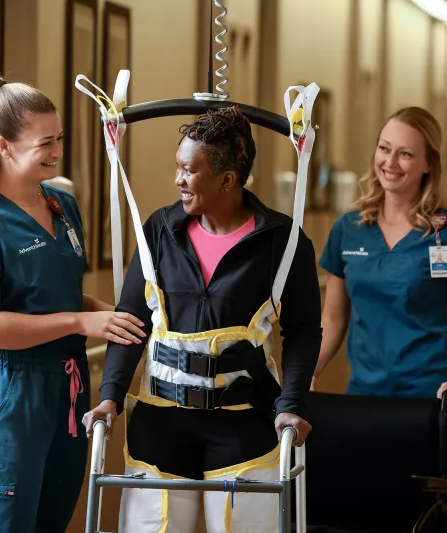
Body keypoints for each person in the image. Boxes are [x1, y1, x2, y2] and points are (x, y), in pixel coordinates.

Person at [81, 106, 322, 533]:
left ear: (227, 179)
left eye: (188, 171)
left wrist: (292, 403)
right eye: (178, 167)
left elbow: (302, 330)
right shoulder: (159, 230)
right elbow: (131, 319)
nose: (178, 180)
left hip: (244, 426)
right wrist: (110, 395)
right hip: (161, 426)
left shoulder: (283, 242)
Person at [0, 75, 146, 532]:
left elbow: (64, 295)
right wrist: (80, 321)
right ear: (4, 146)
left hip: (66, 390)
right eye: (44, 143)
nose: (56, 151)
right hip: (8, 394)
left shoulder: (63, 207)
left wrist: (117, 318)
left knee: (54, 518)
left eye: (60, 139)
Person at [310, 107, 447, 519]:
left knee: (440, 521)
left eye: (405, 154)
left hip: (437, 406)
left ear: (428, 164)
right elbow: (333, 318)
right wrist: (309, 372)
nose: (390, 163)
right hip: (367, 407)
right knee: (370, 517)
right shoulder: (348, 229)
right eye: (384, 149)